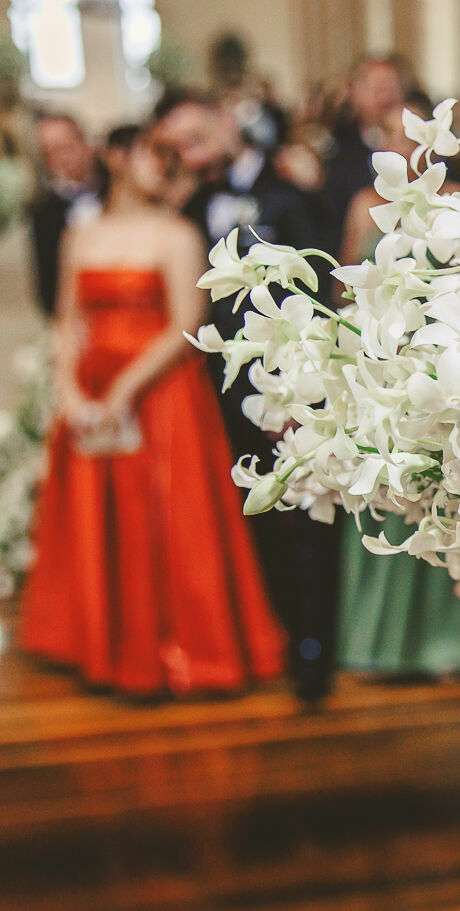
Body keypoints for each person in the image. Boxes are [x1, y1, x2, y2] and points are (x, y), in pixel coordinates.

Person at [21, 125, 285, 696]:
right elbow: (68, 319)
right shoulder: (82, 235)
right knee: (100, 518)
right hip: (92, 387)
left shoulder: (177, 233)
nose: (164, 166)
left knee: (169, 520)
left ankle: (182, 649)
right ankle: (103, 644)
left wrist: (124, 390)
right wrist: (69, 388)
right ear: (117, 157)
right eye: (154, 154)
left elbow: (187, 323)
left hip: (161, 392)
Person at [154, 88, 340, 703]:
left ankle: (313, 652)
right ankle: (274, 634)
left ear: (224, 123)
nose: (189, 153)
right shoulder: (193, 202)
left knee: (304, 519)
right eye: (177, 147)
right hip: (216, 387)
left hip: (284, 382)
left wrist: (295, 389)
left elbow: (318, 293)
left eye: (196, 138)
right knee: (251, 517)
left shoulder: (287, 189)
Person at [334, 103, 460, 682]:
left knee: (445, 491)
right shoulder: (363, 205)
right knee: (391, 489)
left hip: (443, 362)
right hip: (383, 363)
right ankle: (383, 640)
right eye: (391, 132)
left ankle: (454, 640)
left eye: (411, 132)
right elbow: (350, 282)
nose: (400, 143)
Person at [322, 55, 410, 251]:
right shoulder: (338, 153)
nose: (386, 98)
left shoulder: (423, 149)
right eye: (378, 89)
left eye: (392, 88)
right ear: (356, 94)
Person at [29, 113, 100, 318]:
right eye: (50, 153)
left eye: (67, 146)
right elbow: (47, 283)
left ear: (85, 142)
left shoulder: (120, 192)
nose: (62, 157)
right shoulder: (44, 211)